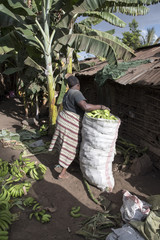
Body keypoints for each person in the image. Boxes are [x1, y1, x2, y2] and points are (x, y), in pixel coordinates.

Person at [48, 75, 109, 179]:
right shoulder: (76, 93)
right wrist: (101, 107)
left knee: (63, 143)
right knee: (71, 146)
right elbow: (85, 106)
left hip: (63, 118)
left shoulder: (68, 92)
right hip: (70, 123)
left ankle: (64, 163)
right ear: (77, 85)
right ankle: (62, 173)